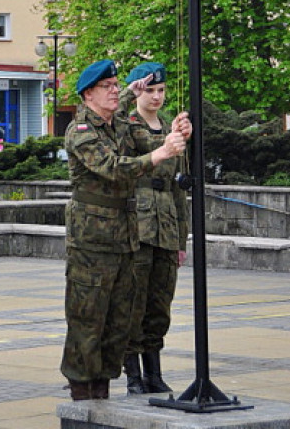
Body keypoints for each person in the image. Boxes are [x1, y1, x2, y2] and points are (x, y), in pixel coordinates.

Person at [60, 58, 191, 402]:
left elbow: (145, 135)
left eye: (117, 85)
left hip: (124, 234)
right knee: (88, 318)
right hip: (91, 237)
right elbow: (113, 167)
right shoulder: (81, 131)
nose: (115, 91)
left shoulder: (117, 125)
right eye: (108, 87)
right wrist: (162, 152)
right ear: (88, 94)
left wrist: (176, 134)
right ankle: (82, 393)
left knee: (118, 320)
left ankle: (102, 389)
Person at [119, 62, 189, 395]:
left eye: (161, 90)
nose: (157, 97)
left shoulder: (170, 129)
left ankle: (154, 372)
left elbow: (178, 188)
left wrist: (181, 239)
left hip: (166, 226)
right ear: (137, 90)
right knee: (134, 301)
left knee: (160, 303)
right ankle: (132, 375)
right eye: (150, 90)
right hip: (138, 225)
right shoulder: (127, 125)